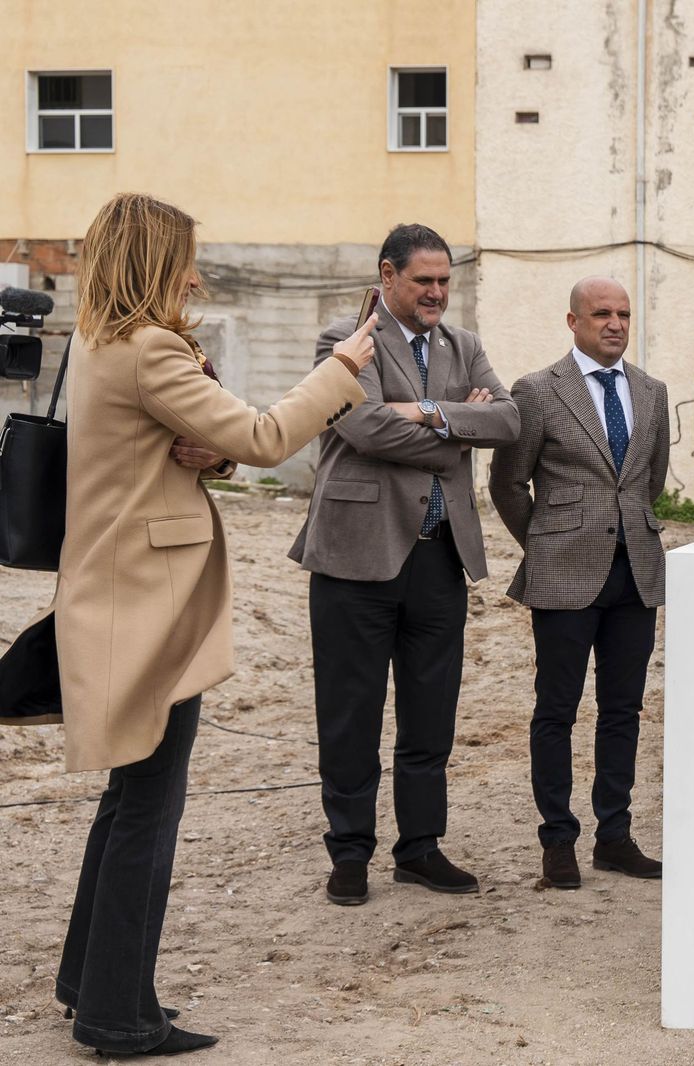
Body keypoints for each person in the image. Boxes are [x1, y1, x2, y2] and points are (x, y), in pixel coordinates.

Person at [0, 192, 370, 1056]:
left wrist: (216, 446)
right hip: (147, 609)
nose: (196, 275)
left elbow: (209, 443)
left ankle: (86, 983)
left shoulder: (103, 347)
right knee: (148, 811)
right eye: (185, 260)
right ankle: (116, 1017)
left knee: (129, 801)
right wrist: (344, 364)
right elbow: (271, 435)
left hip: (118, 596)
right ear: (155, 264)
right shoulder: (152, 350)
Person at [289, 223, 519, 906]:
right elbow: (360, 427)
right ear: (387, 275)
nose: (437, 294)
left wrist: (422, 413)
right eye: (424, 281)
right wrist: (455, 430)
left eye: (445, 281)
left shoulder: (465, 345)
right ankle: (350, 854)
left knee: (430, 718)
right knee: (350, 715)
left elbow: (506, 422)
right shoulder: (343, 342)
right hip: (355, 557)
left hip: (438, 558)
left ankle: (419, 849)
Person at [489, 276, 670, 890]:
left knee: (623, 710)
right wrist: (542, 543)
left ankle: (614, 837)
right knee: (556, 710)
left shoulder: (651, 391)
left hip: (636, 574)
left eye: (623, 314)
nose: (615, 324)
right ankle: (558, 843)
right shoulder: (538, 391)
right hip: (564, 572)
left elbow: (648, 481)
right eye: (601, 314)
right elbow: (508, 482)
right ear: (573, 322)